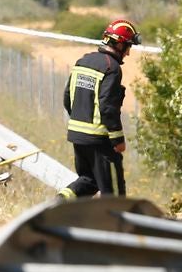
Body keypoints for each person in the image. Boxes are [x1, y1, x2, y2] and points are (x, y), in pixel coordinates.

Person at [58, 18, 139, 199]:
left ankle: (60, 201)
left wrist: (80, 122)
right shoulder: (112, 68)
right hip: (99, 140)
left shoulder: (83, 61)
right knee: (114, 192)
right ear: (119, 45)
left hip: (77, 136)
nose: (127, 53)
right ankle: (117, 225)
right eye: (128, 47)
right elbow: (108, 107)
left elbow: (67, 98)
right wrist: (118, 140)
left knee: (88, 180)